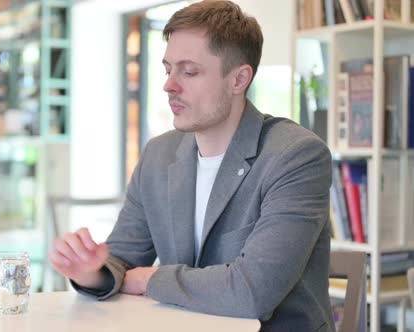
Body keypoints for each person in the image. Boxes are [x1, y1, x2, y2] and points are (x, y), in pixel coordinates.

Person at [48, 1, 334, 331]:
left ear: (239, 79)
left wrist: (151, 279)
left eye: (189, 71)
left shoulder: (296, 156)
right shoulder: (159, 154)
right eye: (168, 69)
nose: (169, 84)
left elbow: (253, 291)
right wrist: (92, 272)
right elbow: (122, 259)